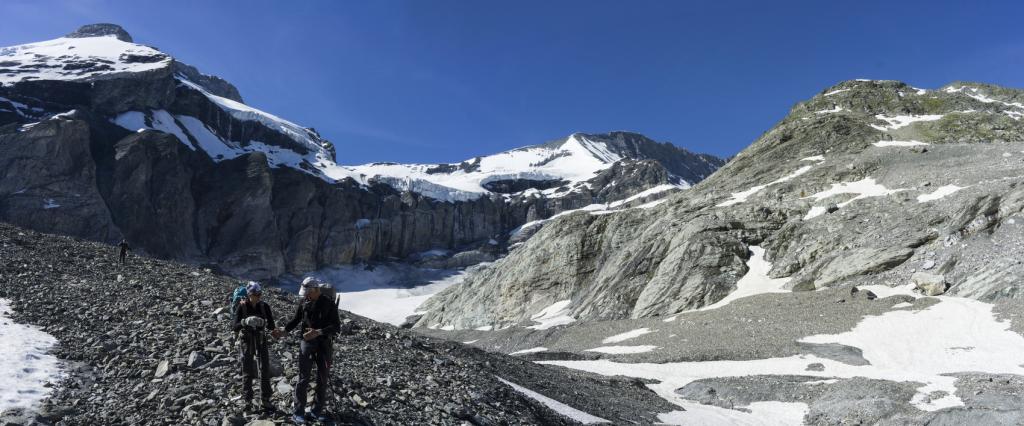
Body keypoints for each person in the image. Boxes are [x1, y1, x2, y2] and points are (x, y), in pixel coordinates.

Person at [280, 277, 340, 424]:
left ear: (316, 290)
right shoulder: (304, 302)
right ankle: (298, 412)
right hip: (306, 342)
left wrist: (318, 332)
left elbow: (336, 327)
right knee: (303, 377)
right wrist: (284, 330)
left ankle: (316, 411)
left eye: (308, 293)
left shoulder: (328, 303)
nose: (306, 296)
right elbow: (296, 320)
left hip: (324, 344)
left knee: (322, 378)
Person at [233, 282, 283, 414]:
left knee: (264, 368)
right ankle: (247, 401)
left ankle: (265, 399)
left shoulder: (264, 306)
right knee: (247, 370)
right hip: (246, 340)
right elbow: (234, 326)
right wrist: (245, 321)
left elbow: (271, 325)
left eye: (260, 294)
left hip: (261, 339)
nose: (259, 296)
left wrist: (271, 328)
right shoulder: (242, 307)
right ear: (249, 294)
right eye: (256, 294)